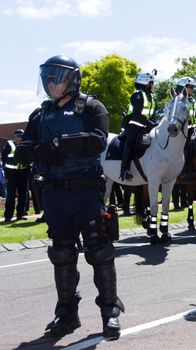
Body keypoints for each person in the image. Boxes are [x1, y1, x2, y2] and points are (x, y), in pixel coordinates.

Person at [14, 55, 124, 339]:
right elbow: (25, 149)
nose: (52, 82)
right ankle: (66, 315)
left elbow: (99, 140)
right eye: (48, 77)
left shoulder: (91, 106)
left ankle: (110, 312)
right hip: (54, 193)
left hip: (86, 191)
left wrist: (58, 145)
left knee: (100, 252)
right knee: (61, 255)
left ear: (73, 79)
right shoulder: (40, 114)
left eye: (57, 76)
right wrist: (29, 151)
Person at [119, 71, 157, 181]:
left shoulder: (152, 98)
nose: (152, 85)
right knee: (131, 142)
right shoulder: (138, 95)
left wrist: (155, 125)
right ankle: (124, 171)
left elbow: (152, 116)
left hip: (147, 128)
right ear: (145, 82)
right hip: (134, 125)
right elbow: (137, 115)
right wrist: (151, 124)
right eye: (151, 83)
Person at [2, 129, 30, 222]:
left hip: (23, 173)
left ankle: (21, 214)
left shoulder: (26, 145)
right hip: (12, 174)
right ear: (15, 137)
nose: (20, 138)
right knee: (11, 196)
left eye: (22, 136)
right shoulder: (9, 145)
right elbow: (4, 159)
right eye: (19, 136)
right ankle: (8, 216)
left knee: (23, 195)